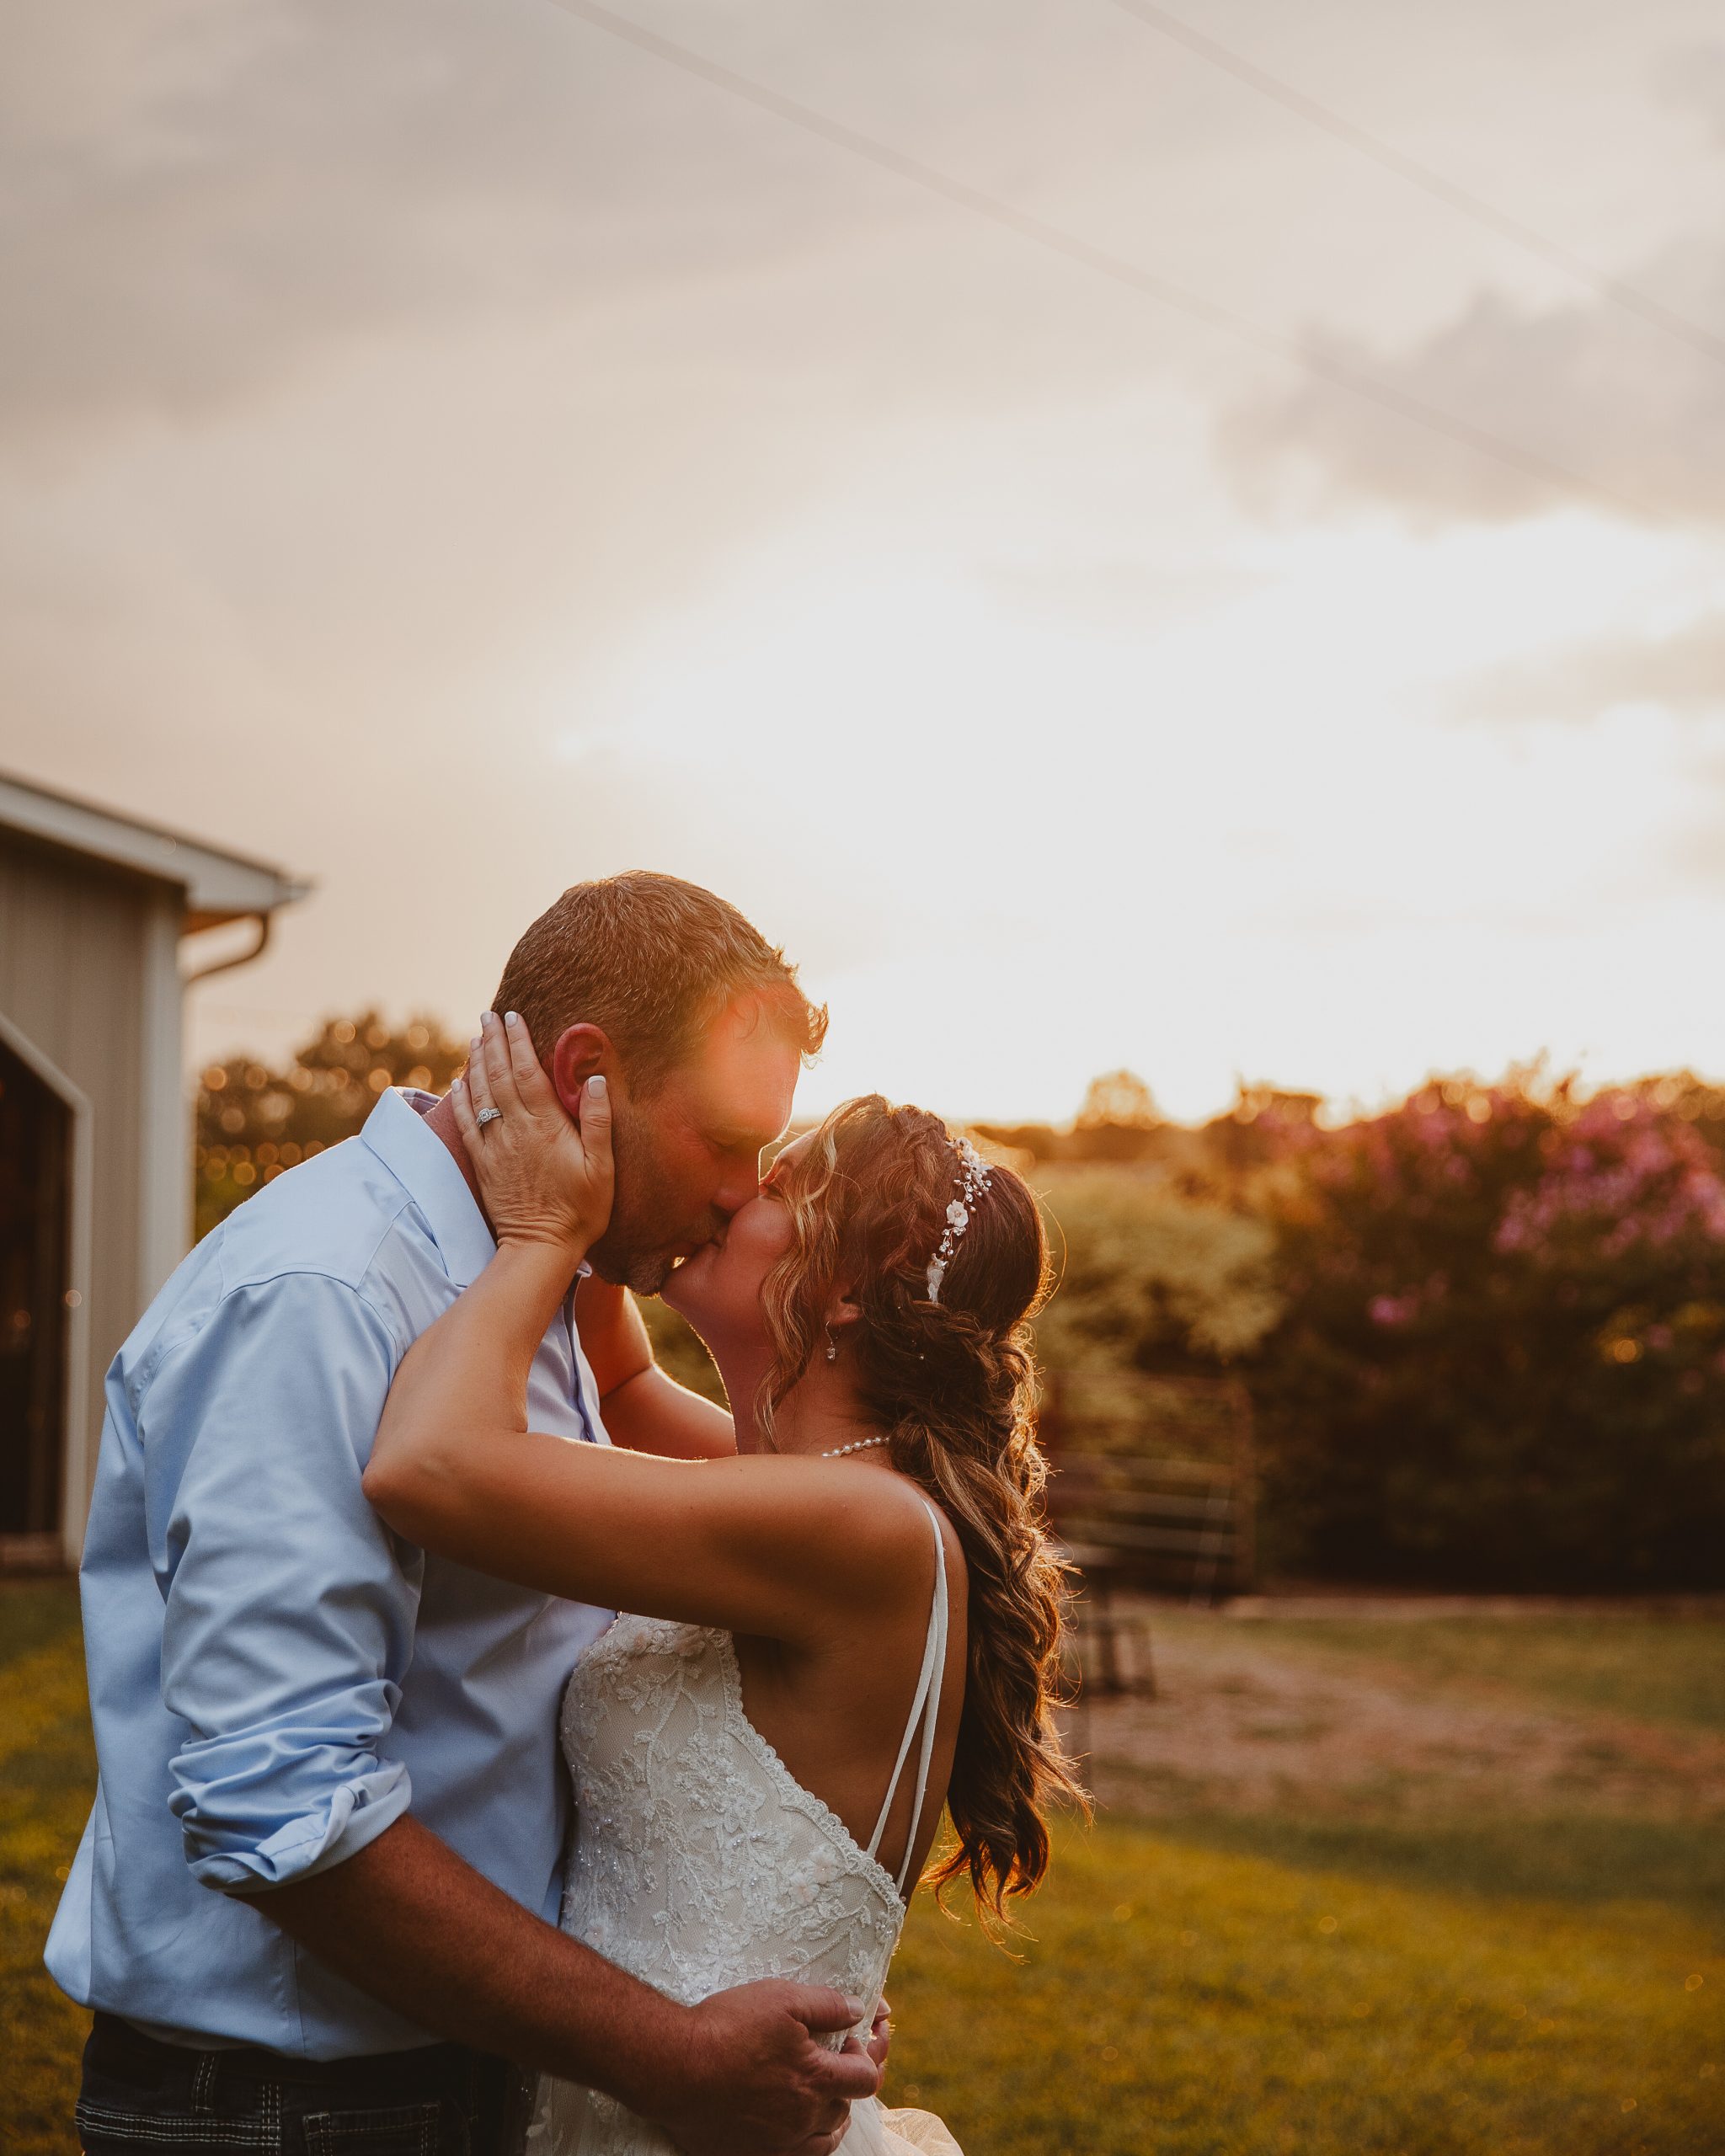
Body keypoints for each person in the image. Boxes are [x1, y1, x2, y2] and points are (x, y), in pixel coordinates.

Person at [48, 875, 885, 2156]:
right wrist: (667, 2056)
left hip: (463, 2075)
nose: (743, 1191)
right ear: (587, 1072)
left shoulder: (529, 1266)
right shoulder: (322, 1294)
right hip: (296, 2111)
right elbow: (279, 1806)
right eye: (726, 1141)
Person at [361, 1007, 1085, 2153]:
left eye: (780, 1188)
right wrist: (608, 1167)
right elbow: (619, 1381)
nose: (734, 1196)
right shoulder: (817, 1488)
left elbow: (429, 1465)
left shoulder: (858, 1525)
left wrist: (542, 1234)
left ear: (850, 1289)